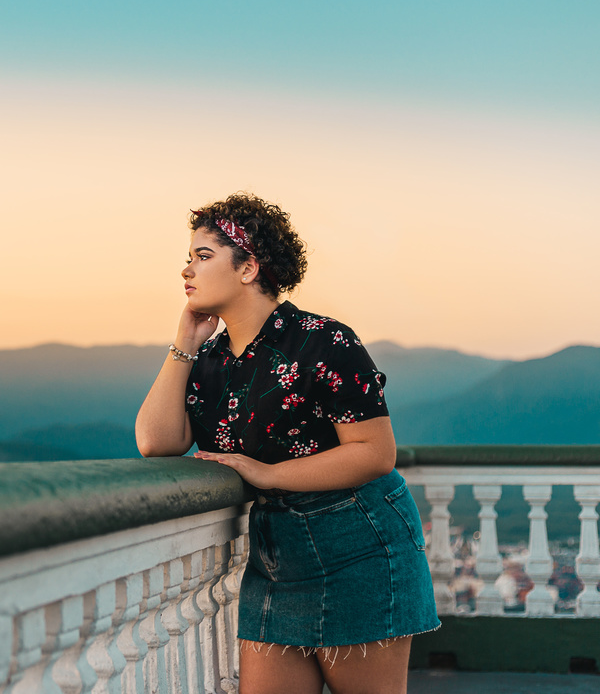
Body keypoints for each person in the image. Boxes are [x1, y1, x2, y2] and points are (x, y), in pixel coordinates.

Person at [135, 193, 439, 694]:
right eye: (188, 258)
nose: (187, 270)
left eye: (203, 256)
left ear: (249, 267)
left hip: (359, 547)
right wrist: (184, 343)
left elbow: (374, 452)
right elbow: (155, 441)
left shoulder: (325, 341)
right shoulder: (209, 361)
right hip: (277, 562)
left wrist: (266, 473)